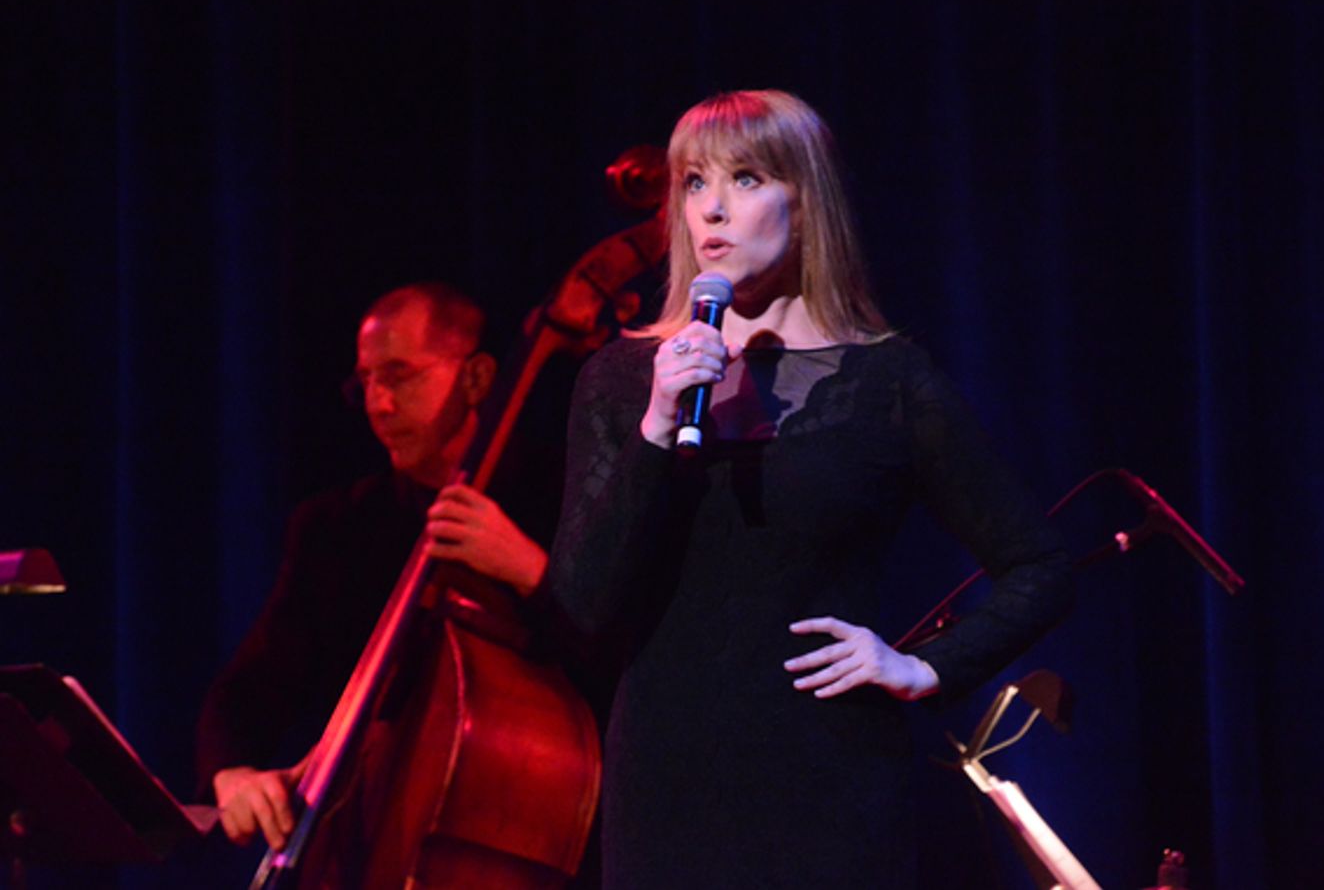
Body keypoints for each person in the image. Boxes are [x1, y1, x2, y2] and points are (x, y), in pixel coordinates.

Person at [546, 90, 1074, 888]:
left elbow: (1039, 565)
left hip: (830, 782)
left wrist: (922, 666)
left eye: (747, 178)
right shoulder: (623, 380)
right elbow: (581, 607)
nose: (712, 208)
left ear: (806, 200)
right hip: (667, 786)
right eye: (693, 183)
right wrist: (657, 426)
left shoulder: (887, 381)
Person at [196, 282, 553, 853]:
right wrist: (232, 773)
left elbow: (625, 657)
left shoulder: (557, 494)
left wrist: (534, 571)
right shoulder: (337, 528)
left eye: (399, 376)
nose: (378, 405)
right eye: (366, 381)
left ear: (477, 377)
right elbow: (250, 689)